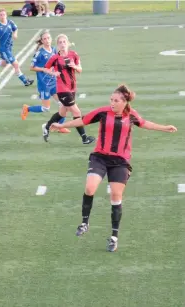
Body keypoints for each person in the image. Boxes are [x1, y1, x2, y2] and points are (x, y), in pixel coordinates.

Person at [51, 84, 177, 252]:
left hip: (120, 161)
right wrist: (61, 125)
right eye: (111, 99)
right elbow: (83, 120)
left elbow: (145, 124)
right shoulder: (103, 112)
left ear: (124, 102)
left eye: (116, 100)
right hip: (100, 157)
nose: (112, 103)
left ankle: (114, 236)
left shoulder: (131, 115)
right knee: (90, 188)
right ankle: (84, 222)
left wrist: (164, 127)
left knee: (116, 196)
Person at [41, 34, 95, 144]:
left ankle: (46, 127)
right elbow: (45, 69)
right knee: (77, 112)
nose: (62, 44)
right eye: (60, 42)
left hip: (72, 88)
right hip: (62, 89)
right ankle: (84, 138)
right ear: (57, 45)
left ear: (68, 43)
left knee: (62, 113)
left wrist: (74, 67)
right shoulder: (55, 58)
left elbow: (80, 69)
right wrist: (53, 72)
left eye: (64, 42)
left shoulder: (73, 55)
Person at [21, 30, 70, 134]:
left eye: (48, 38)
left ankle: (60, 127)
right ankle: (27, 108)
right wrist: (43, 69)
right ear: (42, 41)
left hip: (54, 82)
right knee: (46, 108)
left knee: (63, 105)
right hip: (44, 84)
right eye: (45, 39)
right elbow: (31, 67)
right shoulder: (39, 53)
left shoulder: (54, 50)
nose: (47, 40)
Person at [0, 8, 34, 87]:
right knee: (16, 64)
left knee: (4, 63)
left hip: (9, 47)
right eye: (1, 15)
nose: (2, 16)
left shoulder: (10, 22)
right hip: (4, 48)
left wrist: (15, 34)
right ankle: (25, 81)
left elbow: (16, 28)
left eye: (4, 14)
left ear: (6, 15)